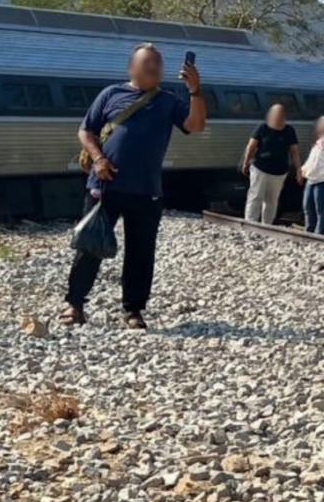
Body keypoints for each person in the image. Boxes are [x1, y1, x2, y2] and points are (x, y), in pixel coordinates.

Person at [62, 43, 206, 330]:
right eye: (147, 62)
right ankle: (74, 304)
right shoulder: (110, 94)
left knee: (141, 252)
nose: (153, 67)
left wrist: (194, 91)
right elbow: (85, 130)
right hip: (105, 185)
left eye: (157, 63)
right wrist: (98, 158)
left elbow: (196, 125)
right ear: (131, 67)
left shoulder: (169, 100)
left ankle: (134, 310)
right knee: (89, 245)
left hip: (146, 190)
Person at [240, 103, 301, 225]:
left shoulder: (289, 131)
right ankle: (250, 223)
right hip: (260, 168)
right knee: (255, 196)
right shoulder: (262, 128)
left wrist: (299, 169)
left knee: (272, 200)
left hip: (279, 171)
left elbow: (294, 151)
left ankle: (267, 225)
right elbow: (251, 146)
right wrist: (246, 162)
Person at [302, 117, 324, 234]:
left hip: (322, 181)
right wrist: (303, 170)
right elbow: (312, 160)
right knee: (308, 207)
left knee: (320, 209)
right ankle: (308, 231)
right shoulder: (318, 144)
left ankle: (319, 234)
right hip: (311, 179)